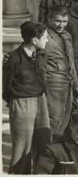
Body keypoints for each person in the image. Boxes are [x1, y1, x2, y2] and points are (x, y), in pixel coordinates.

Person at [3, 22, 51, 174]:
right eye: (44, 37)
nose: (47, 40)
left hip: (41, 100)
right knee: (23, 145)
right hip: (22, 102)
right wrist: (17, 102)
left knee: (43, 140)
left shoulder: (41, 54)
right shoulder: (13, 59)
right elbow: (7, 85)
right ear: (34, 40)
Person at [45, 5, 78, 139]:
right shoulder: (43, 36)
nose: (61, 25)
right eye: (58, 21)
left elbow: (71, 61)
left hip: (68, 83)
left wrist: (76, 85)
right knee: (53, 120)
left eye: (64, 22)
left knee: (65, 119)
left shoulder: (67, 36)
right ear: (49, 19)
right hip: (53, 84)